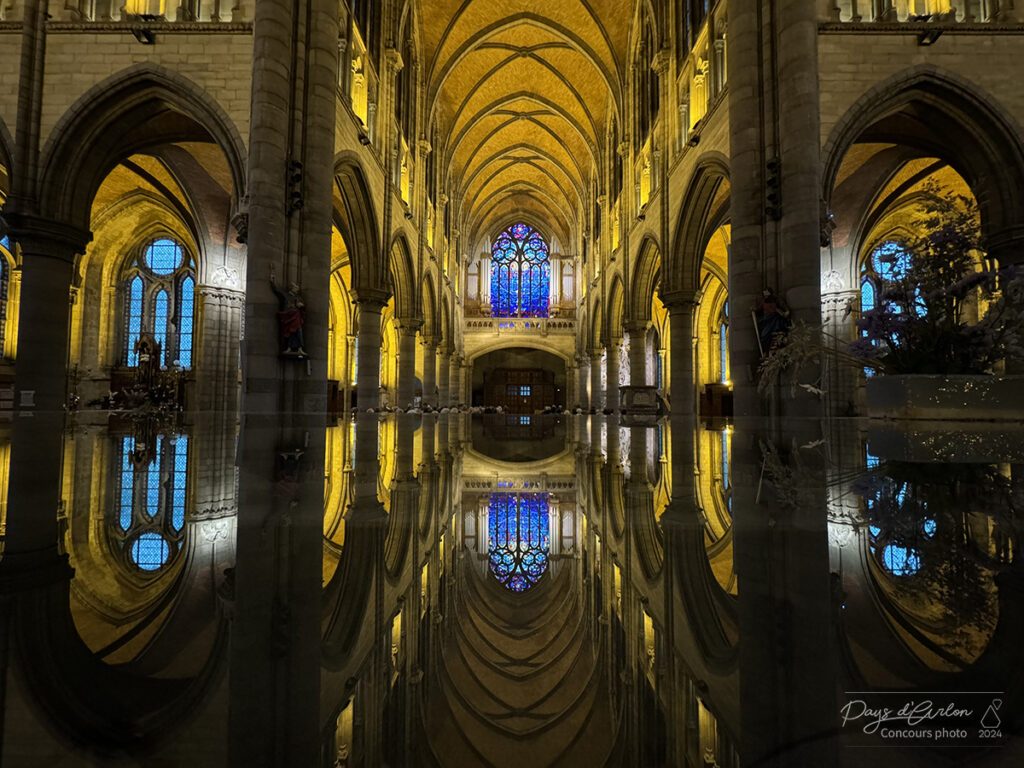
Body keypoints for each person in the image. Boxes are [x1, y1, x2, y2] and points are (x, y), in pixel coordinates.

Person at [270, 267, 307, 357]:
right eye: (296, 289)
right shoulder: (286, 295)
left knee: (298, 331)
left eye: (297, 290)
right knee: (290, 332)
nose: (297, 291)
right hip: (289, 316)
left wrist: (301, 306)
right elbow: (277, 291)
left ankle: (300, 348)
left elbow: (301, 305)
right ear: (292, 289)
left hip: (296, 316)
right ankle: (289, 347)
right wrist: (272, 280)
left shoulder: (297, 297)